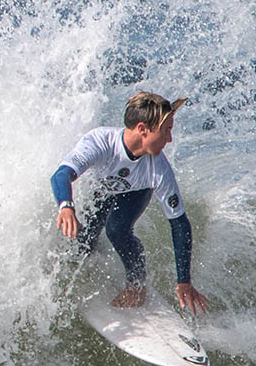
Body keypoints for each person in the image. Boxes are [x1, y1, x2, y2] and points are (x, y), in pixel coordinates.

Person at [51, 91, 208, 316]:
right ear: (143, 129)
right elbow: (61, 175)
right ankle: (87, 258)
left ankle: (137, 285)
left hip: (135, 192)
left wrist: (184, 281)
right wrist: (66, 205)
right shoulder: (101, 142)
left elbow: (179, 223)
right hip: (102, 190)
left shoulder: (158, 169)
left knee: (117, 230)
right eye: (166, 131)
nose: (170, 139)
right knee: (84, 241)